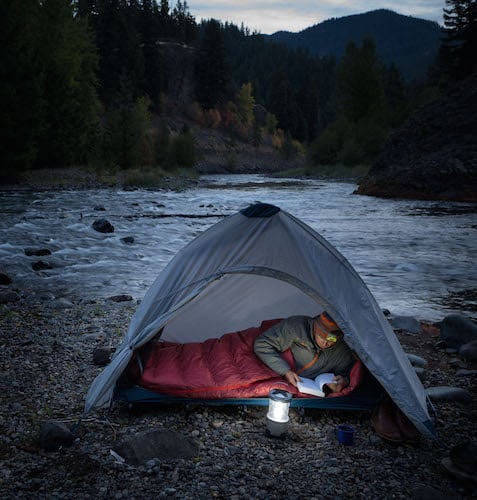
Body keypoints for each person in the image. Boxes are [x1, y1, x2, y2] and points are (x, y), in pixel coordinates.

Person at [253, 311, 355, 393]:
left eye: (331, 339)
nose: (325, 343)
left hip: (309, 388)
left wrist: (343, 382)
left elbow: (347, 373)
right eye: (321, 336)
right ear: (315, 328)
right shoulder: (297, 327)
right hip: (277, 373)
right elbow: (262, 344)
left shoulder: (342, 351)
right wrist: (285, 371)